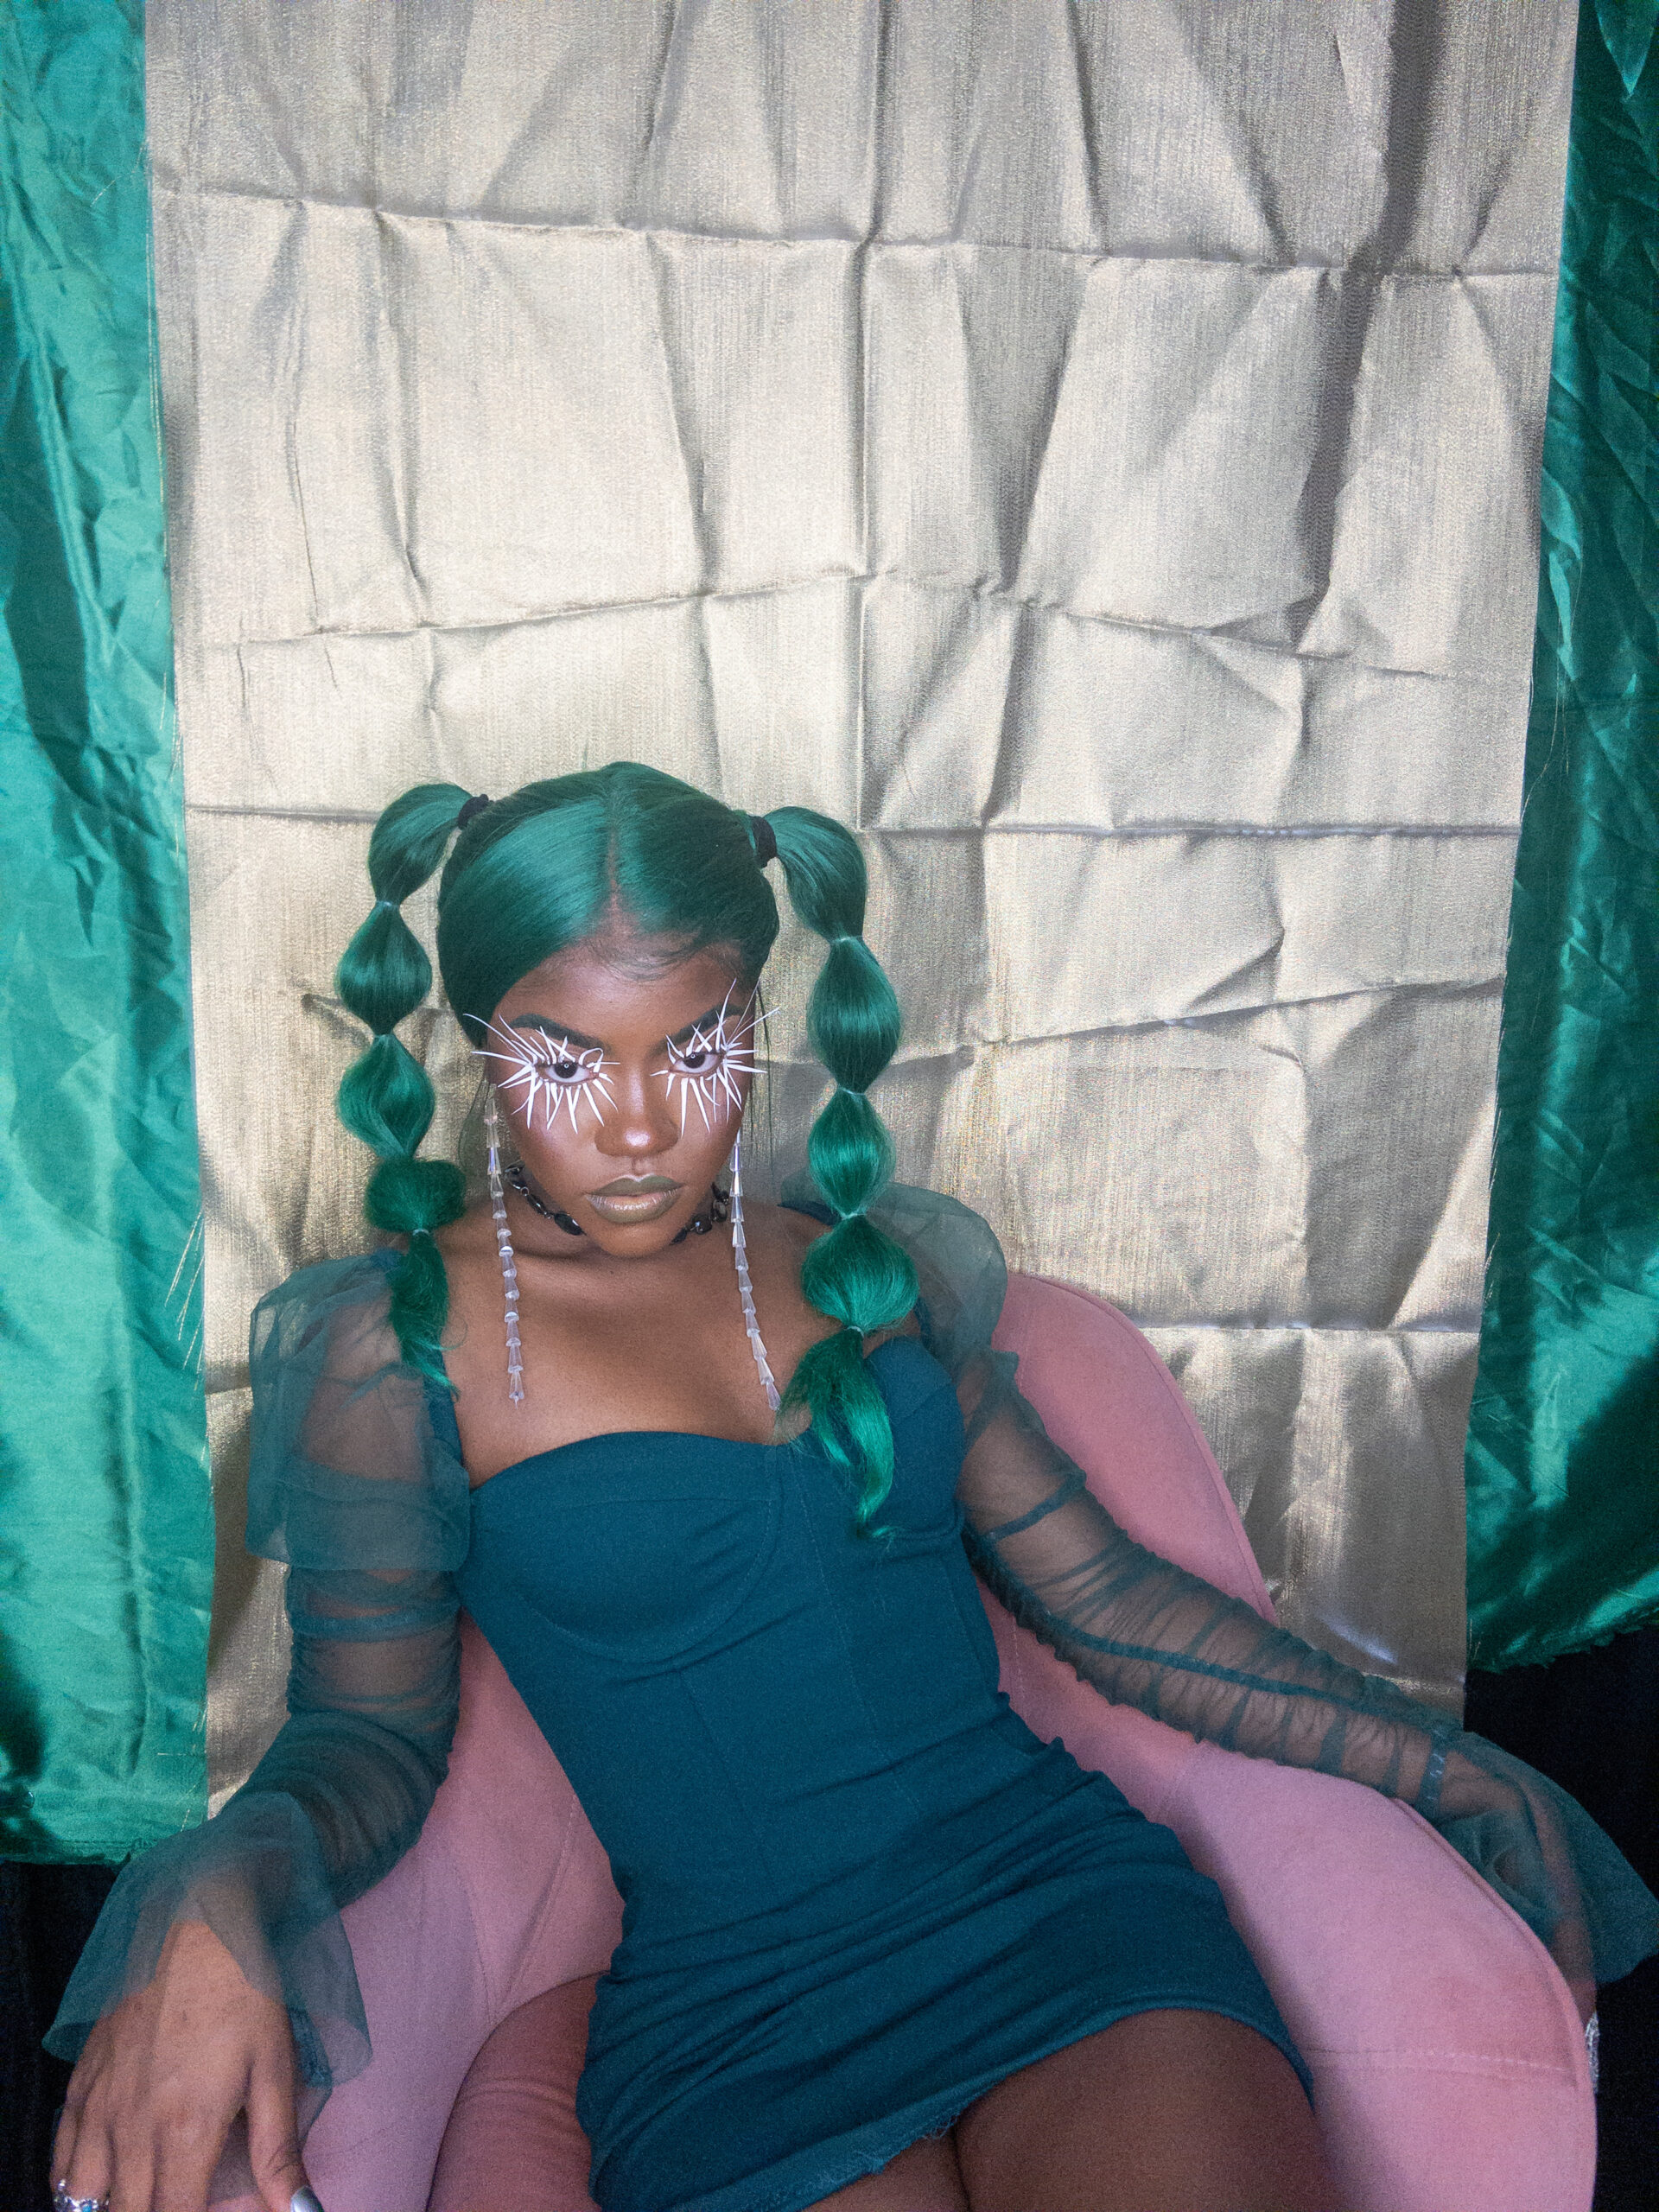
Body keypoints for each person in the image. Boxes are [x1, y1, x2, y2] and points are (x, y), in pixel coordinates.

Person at [47, 765, 1658, 2212]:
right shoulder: (399, 1346)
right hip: (734, 2015)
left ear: (756, 1018)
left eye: (695, 1047)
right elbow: (369, 1743)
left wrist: (1437, 1767)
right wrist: (216, 1879)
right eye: (564, 1056)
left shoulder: (872, 1276)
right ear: (479, 1044)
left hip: (1059, 1912)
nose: (637, 1124)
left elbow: (1111, 1603)